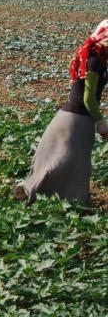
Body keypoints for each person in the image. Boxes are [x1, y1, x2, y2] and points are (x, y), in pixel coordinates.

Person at [19, 20, 108, 205]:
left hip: (68, 118)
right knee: (76, 166)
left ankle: (39, 195)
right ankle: (75, 202)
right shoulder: (95, 62)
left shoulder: (91, 55)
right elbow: (88, 99)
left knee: (57, 162)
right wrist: (101, 124)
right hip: (78, 121)